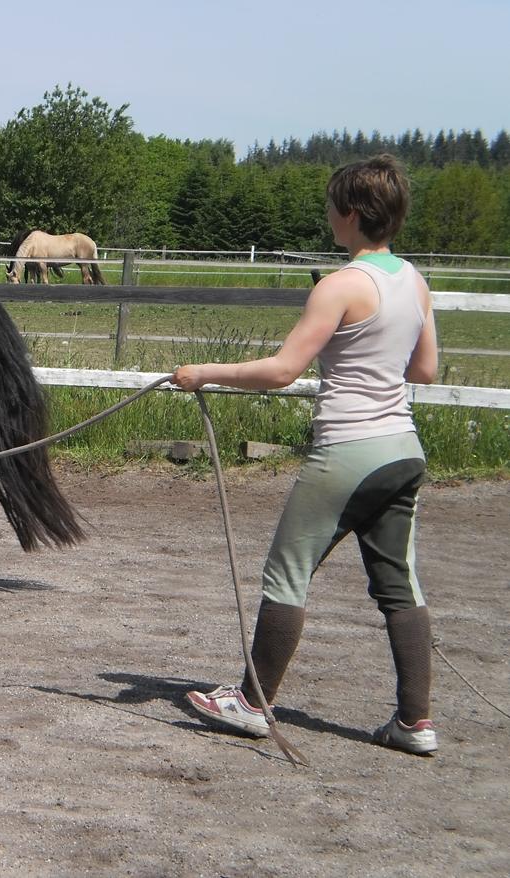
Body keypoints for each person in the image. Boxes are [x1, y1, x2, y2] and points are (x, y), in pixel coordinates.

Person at [171, 155, 440, 756]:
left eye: (330, 207)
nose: (327, 216)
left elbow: (283, 369)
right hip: (402, 449)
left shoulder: (341, 284)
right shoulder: (414, 281)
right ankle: (415, 721)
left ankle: (250, 702)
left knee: (287, 573)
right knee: (399, 584)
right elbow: (424, 368)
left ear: (350, 214)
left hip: (347, 449)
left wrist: (203, 373)